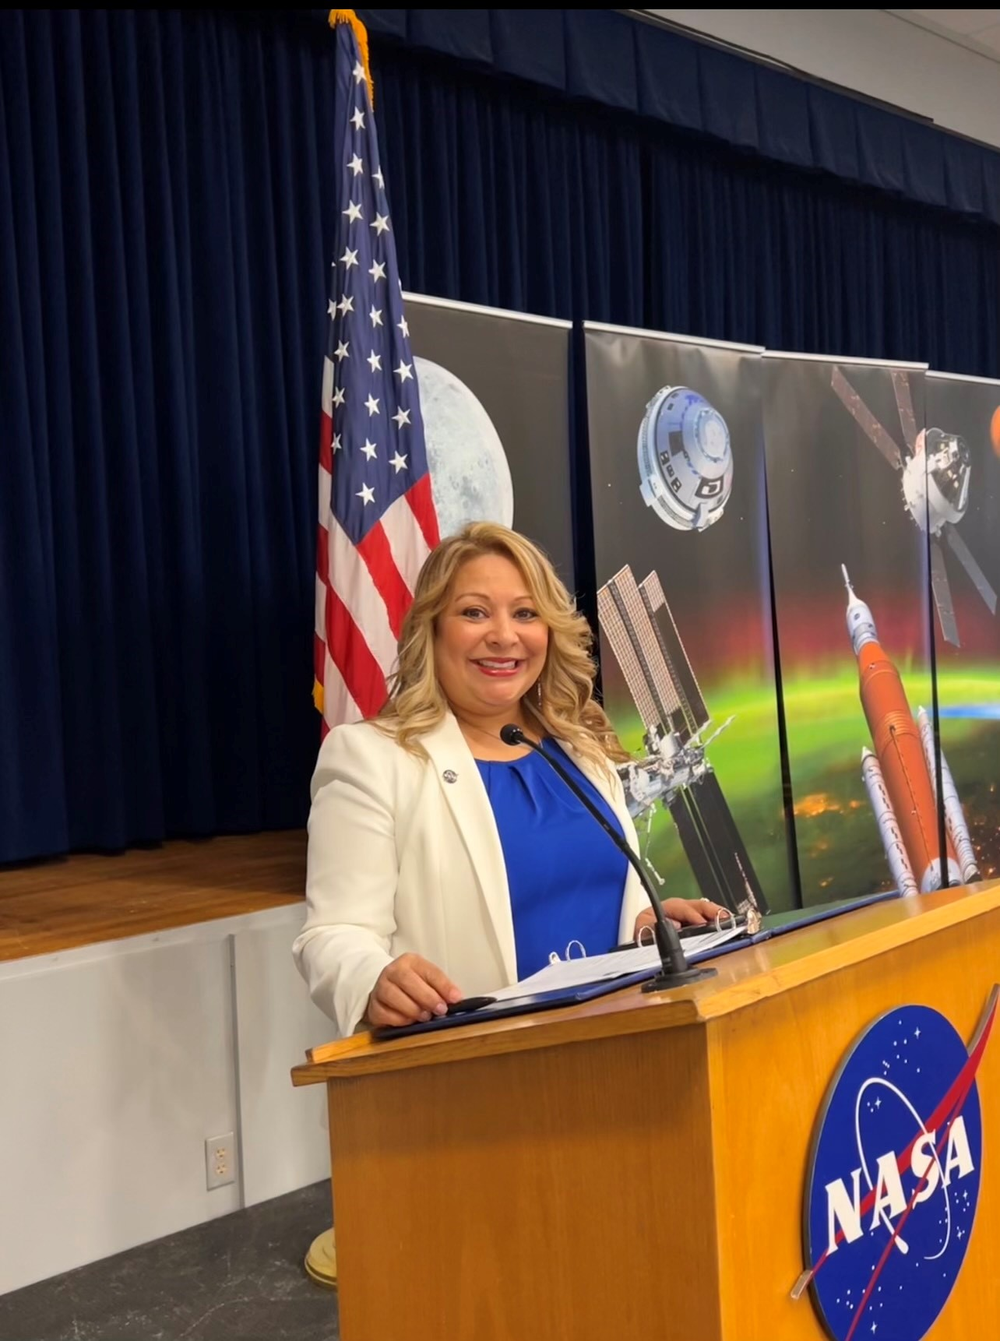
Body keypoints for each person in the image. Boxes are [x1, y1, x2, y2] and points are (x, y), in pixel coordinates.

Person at [294, 522, 725, 1036]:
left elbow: (598, 898)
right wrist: (371, 980)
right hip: (479, 1073)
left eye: (525, 613)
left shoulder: (582, 754)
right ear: (432, 629)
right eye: (474, 612)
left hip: (620, 1050)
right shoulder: (372, 759)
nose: (504, 635)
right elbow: (333, 934)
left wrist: (648, 930)